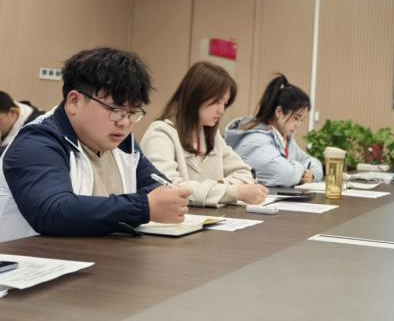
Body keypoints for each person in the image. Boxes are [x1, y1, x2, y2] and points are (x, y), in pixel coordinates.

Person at [0, 47, 190, 243]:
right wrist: (143, 207)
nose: (125, 122)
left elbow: (156, 187)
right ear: (74, 101)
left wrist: (169, 198)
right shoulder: (37, 142)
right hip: (29, 259)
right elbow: (53, 211)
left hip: (96, 255)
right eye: (115, 110)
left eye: (132, 113)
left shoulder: (123, 143)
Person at [141, 62, 268, 207]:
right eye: (217, 102)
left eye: (225, 103)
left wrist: (216, 188)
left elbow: (245, 173)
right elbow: (168, 187)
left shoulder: (211, 135)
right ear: (195, 97)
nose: (221, 110)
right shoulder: (161, 133)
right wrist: (233, 192)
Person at [225, 74, 323, 188]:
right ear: (279, 112)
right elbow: (285, 175)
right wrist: (302, 170)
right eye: (296, 118)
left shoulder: (286, 139)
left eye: (302, 120)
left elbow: (312, 162)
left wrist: (312, 175)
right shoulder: (256, 139)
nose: (298, 125)